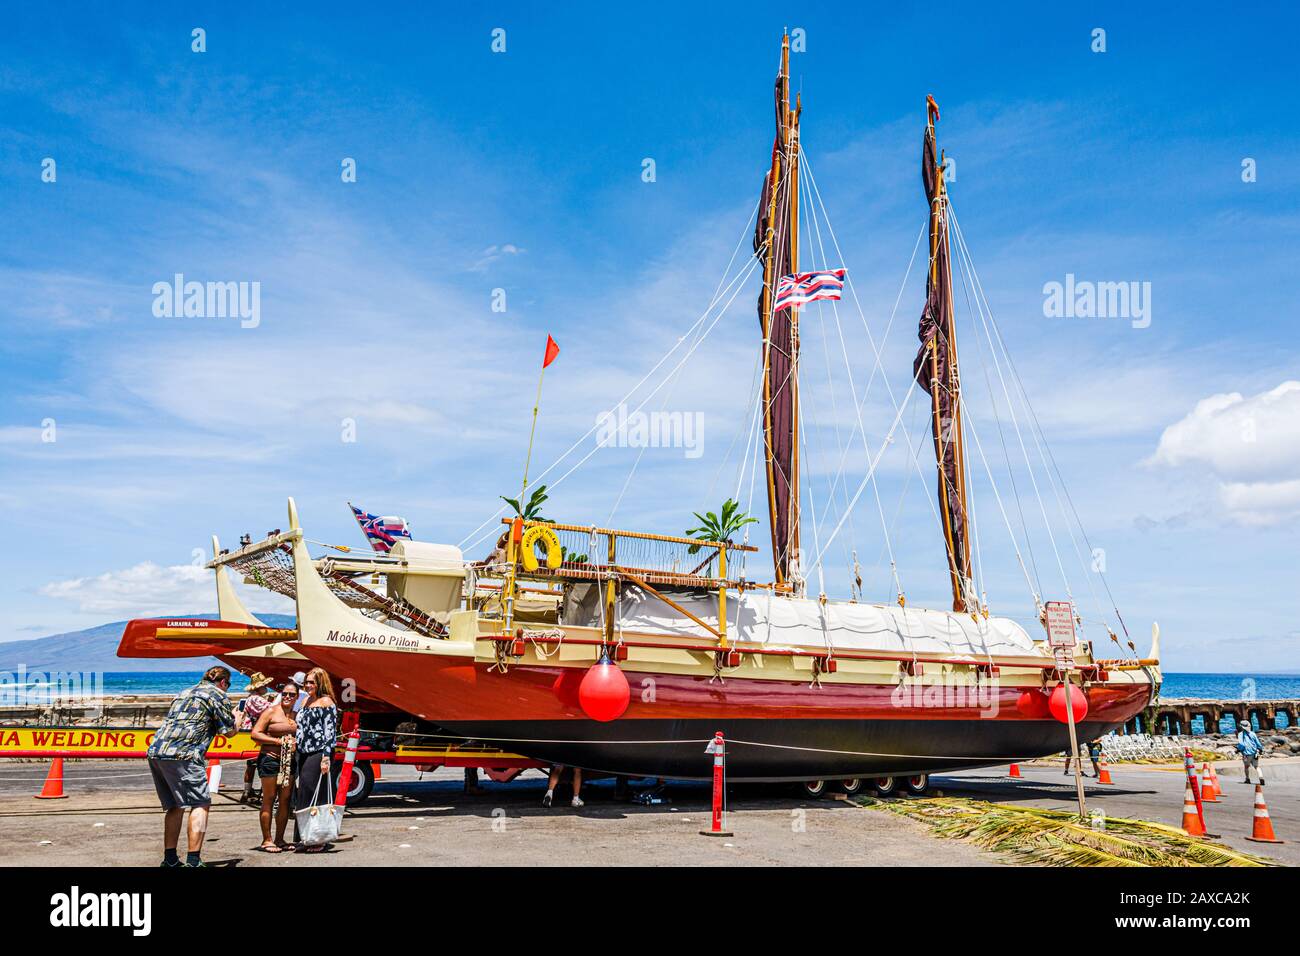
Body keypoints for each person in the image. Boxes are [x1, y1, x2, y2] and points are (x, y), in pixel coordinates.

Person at [146, 665, 236, 868]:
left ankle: (170, 860)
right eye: (228, 685)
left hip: (158, 751)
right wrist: (237, 718)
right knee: (200, 803)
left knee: (175, 805)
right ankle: (194, 861)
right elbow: (229, 731)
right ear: (223, 682)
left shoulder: (184, 692)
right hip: (185, 754)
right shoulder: (218, 694)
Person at [249, 681, 299, 852]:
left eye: (292, 695)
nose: (287, 697)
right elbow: (255, 734)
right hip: (270, 759)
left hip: (289, 761)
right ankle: (267, 840)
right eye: (285, 693)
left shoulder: (296, 715)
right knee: (269, 799)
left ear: (297, 697)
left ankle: (280, 839)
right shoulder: (271, 711)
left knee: (285, 800)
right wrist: (278, 741)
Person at [293, 668, 340, 851]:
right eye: (306, 682)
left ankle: (318, 837)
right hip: (304, 751)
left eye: (312, 682)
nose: (308, 685)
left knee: (315, 791)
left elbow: (330, 732)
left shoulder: (326, 702)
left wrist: (326, 757)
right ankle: (305, 836)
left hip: (319, 751)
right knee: (304, 792)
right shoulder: (305, 700)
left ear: (320, 683)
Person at [237, 673, 276, 803]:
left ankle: (247, 791)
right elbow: (271, 711)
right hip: (258, 734)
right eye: (264, 685)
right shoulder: (256, 699)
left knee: (251, 763)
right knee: (257, 763)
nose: (267, 687)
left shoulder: (251, 698)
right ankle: (255, 792)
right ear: (260, 687)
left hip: (252, 733)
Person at [1236, 720, 1265, 785]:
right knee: (1257, 766)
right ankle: (1261, 777)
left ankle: (1247, 779)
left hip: (1246, 754)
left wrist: (1238, 750)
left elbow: (1241, 744)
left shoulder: (1240, 734)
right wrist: (1260, 749)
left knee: (1246, 766)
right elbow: (1258, 743)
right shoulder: (1253, 733)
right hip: (1255, 753)